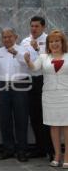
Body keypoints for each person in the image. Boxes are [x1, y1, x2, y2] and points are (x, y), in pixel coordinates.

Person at [24, 30, 68, 168]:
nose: (54, 44)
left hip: (66, 95)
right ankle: (57, 155)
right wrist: (28, 61)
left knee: (66, 127)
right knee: (53, 126)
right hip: (49, 95)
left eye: (57, 41)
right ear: (48, 44)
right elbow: (34, 68)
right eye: (52, 41)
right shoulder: (43, 57)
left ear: (62, 43)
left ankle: (67, 156)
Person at [0, 28, 31, 162]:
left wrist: (16, 54)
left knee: (21, 119)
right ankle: (8, 149)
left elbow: (27, 65)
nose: (7, 39)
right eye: (4, 37)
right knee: (5, 119)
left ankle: (22, 150)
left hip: (20, 85)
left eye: (9, 37)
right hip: (3, 86)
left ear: (16, 37)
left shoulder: (23, 50)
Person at [21, 16, 53, 159]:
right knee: (34, 116)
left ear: (43, 27)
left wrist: (37, 48)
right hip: (30, 81)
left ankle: (51, 150)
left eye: (36, 26)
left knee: (47, 116)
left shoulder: (49, 40)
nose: (33, 29)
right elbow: (22, 61)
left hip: (44, 80)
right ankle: (40, 148)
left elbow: (49, 61)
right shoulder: (25, 41)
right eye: (32, 26)